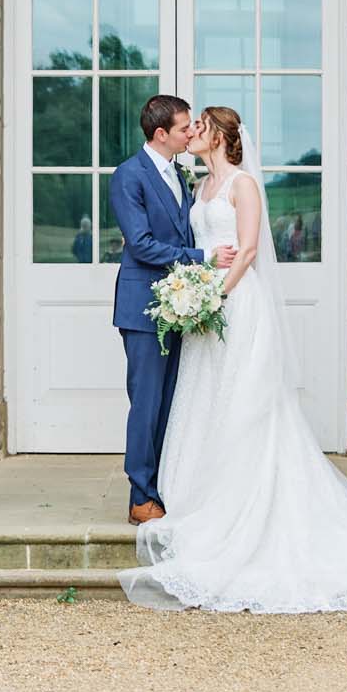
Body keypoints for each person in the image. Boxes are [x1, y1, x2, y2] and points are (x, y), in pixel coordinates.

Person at [120, 105, 347, 613]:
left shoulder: (242, 185)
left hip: (232, 301)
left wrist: (214, 296)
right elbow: (175, 242)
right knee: (201, 401)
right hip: (206, 300)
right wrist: (202, 287)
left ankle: (247, 503)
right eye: (189, 127)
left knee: (245, 404)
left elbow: (248, 251)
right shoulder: (198, 186)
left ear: (222, 137)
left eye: (201, 128)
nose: (194, 134)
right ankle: (188, 499)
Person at [106, 94, 237, 526]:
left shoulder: (180, 174)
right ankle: (140, 496)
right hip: (143, 308)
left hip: (180, 305)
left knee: (169, 403)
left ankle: (165, 486)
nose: (191, 133)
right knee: (145, 403)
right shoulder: (129, 176)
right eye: (184, 128)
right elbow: (140, 245)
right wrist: (202, 258)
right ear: (161, 134)